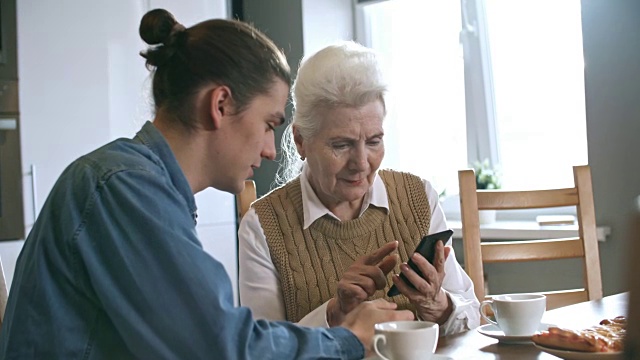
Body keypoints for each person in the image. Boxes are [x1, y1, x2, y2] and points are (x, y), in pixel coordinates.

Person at [0, 10, 413, 359]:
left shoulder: (141, 184)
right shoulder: (124, 188)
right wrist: (349, 338)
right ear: (219, 105)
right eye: (269, 124)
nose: (272, 149)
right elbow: (220, 346)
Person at [238, 41, 480, 334]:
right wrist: (334, 314)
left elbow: (474, 317)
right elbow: (264, 350)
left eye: (374, 141)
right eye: (341, 145)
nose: (362, 163)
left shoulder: (418, 198)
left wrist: (438, 305)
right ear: (301, 141)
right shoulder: (263, 226)